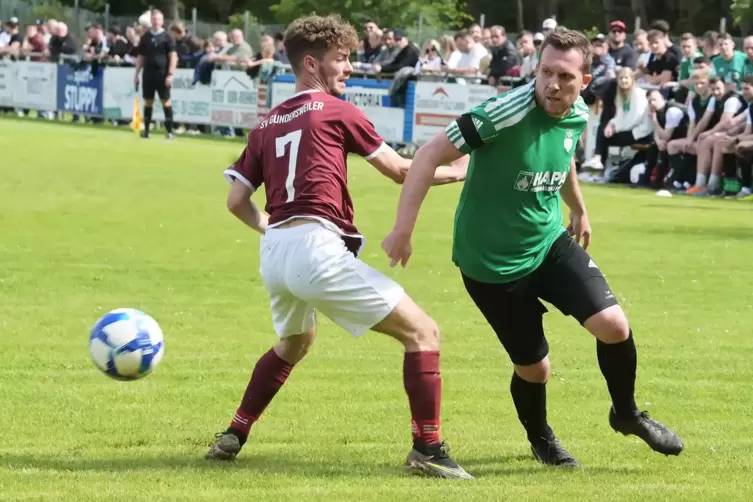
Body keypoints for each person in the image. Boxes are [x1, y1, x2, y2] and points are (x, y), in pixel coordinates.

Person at [382, 27, 684, 467]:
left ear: (584, 80)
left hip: (547, 241)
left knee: (615, 326)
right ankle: (541, 437)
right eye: (546, 72)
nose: (553, 84)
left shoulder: (578, 110)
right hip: (490, 264)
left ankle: (626, 413)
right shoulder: (503, 112)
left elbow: (563, 159)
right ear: (536, 69)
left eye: (565, 76)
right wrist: (403, 229)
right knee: (535, 368)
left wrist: (578, 210)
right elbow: (428, 154)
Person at [204, 14, 473, 481]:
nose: (349, 68)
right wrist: (464, 170)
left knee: (295, 342)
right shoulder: (336, 110)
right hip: (314, 248)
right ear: (312, 63)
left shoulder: (267, 122)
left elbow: (235, 201)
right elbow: (401, 170)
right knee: (423, 333)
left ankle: (234, 432)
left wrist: (272, 229)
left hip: (277, 252)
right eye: (342, 59)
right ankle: (427, 447)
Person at [133, 10, 177, 139]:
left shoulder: (167, 37)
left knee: (166, 101)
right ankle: (146, 131)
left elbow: (173, 56)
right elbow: (141, 56)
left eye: (158, 19)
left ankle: (169, 132)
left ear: (162, 21)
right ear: (151, 20)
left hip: (162, 74)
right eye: (154, 19)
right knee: (148, 101)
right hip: (148, 74)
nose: (156, 22)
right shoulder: (145, 37)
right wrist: (136, 74)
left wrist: (170, 74)